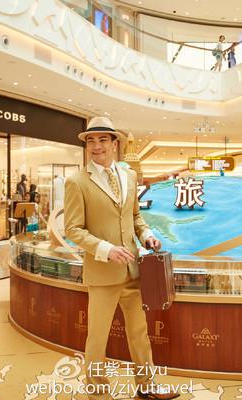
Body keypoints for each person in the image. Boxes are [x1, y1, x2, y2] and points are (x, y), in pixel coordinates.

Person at [64, 116, 177, 400]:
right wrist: (106, 249)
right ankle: (98, 393)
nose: (96, 146)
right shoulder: (76, 181)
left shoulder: (129, 176)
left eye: (103, 139)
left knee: (139, 332)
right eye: (91, 140)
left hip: (133, 271)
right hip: (102, 274)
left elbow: (135, 217)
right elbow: (73, 229)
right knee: (97, 337)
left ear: (115, 144)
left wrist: (147, 235)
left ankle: (147, 385)